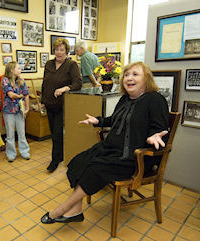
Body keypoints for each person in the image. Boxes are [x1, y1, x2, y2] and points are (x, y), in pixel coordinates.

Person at [41, 61, 169, 224]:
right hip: (111, 148)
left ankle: (61, 209)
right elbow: (113, 120)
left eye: (135, 74)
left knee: (94, 169)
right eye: (127, 75)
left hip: (133, 157)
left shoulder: (155, 100)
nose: (129, 78)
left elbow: (159, 128)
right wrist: (98, 121)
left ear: (147, 79)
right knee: (78, 161)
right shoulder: (125, 99)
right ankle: (76, 210)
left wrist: (154, 137)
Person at [41, 37, 82, 173]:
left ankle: (54, 160)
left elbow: (78, 83)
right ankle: (60, 155)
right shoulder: (49, 64)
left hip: (62, 105)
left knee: (58, 133)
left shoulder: (71, 65)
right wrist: (42, 101)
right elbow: (45, 83)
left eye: (62, 50)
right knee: (54, 133)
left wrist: (65, 88)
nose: (59, 52)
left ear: (66, 51)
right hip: (49, 103)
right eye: (57, 49)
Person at [2, 61, 30, 162]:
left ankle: (25, 152)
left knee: (22, 132)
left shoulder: (22, 81)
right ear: (11, 70)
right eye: (18, 68)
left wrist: (27, 108)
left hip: (19, 111)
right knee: (10, 134)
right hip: (9, 111)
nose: (20, 70)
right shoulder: (5, 80)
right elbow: (10, 94)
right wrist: (19, 96)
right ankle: (11, 154)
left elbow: (26, 94)